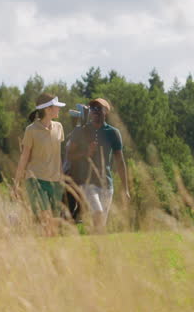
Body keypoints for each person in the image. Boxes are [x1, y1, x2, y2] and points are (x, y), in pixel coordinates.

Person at [63, 97, 129, 230]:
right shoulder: (80, 131)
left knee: (100, 225)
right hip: (87, 183)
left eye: (99, 108)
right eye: (92, 108)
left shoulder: (113, 133)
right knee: (97, 213)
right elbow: (69, 155)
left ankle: (96, 247)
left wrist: (125, 188)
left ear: (106, 112)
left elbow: (120, 161)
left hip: (107, 184)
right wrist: (85, 153)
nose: (95, 111)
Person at [14, 92, 67, 220]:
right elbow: (24, 157)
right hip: (35, 180)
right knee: (45, 217)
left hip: (55, 182)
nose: (59, 108)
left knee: (53, 221)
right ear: (48, 109)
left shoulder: (59, 127)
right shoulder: (31, 130)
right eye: (56, 106)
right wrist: (16, 183)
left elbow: (57, 155)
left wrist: (62, 178)